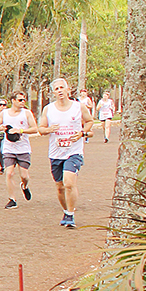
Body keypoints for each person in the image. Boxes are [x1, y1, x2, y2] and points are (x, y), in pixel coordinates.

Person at [38, 78, 95, 228]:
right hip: (56, 153)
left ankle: (70, 214)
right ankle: (65, 210)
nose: (60, 91)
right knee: (60, 186)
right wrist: (49, 129)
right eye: (56, 89)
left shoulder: (78, 107)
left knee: (69, 182)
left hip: (74, 151)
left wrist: (82, 133)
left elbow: (89, 121)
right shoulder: (48, 109)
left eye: (62, 87)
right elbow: (41, 129)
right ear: (53, 93)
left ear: (68, 90)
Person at [0, 91, 38, 209]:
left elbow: (34, 129)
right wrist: (0, 128)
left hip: (23, 148)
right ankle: (12, 199)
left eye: (24, 100)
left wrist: (21, 131)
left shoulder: (27, 113)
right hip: (9, 148)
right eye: (20, 100)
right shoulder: (5, 113)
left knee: (24, 176)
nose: (23, 102)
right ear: (13, 101)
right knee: (9, 173)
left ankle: (24, 186)